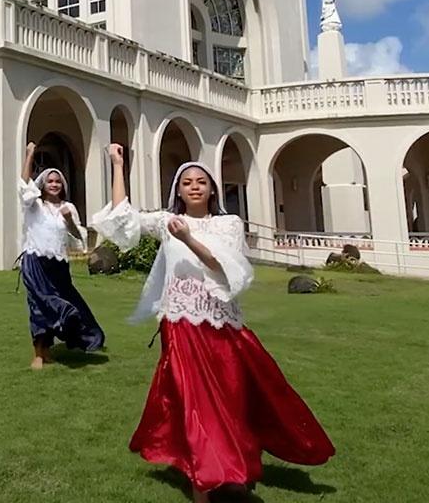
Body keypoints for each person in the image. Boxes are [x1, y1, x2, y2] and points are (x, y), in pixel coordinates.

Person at [92, 144, 333, 502]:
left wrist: (187, 238)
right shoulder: (167, 222)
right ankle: (202, 479)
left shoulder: (228, 224)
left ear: (212, 190)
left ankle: (233, 459)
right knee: (192, 400)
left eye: (201, 182)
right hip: (180, 323)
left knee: (232, 399)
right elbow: (122, 218)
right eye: (186, 182)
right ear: (178, 190)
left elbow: (225, 265)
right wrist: (117, 164)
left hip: (222, 327)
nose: (194, 187)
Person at [18, 142, 104, 369]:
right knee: (39, 306)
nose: (54, 184)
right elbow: (24, 186)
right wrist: (29, 155)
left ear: (63, 185)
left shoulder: (69, 207)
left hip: (58, 266)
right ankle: (39, 353)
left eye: (58, 181)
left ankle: (57, 345)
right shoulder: (34, 205)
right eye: (50, 181)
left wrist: (68, 220)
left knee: (64, 305)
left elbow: (79, 237)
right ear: (43, 184)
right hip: (34, 261)